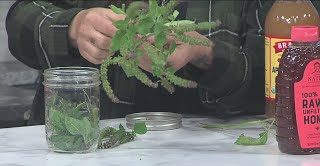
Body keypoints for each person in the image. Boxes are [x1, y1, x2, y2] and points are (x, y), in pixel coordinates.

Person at [6, 0, 298, 125]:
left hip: (209, 158)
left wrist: (206, 54)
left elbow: (286, 74)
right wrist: (73, 27)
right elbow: (21, 19)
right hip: (83, 143)